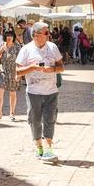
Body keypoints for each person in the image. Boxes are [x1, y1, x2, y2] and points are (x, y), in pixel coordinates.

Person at [16, 22, 64, 162]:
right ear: (36, 35)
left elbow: (61, 67)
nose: (49, 35)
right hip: (33, 92)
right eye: (46, 33)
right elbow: (17, 72)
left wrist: (53, 69)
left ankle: (48, 149)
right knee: (35, 121)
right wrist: (32, 67)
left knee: (50, 120)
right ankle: (39, 148)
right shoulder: (26, 49)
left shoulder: (53, 47)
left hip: (51, 91)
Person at [0, 30, 21, 121]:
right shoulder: (2, 45)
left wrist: (19, 73)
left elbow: (20, 60)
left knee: (12, 92)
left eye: (11, 35)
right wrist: (0, 51)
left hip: (13, 72)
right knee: (0, 90)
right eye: (7, 35)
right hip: (3, 71)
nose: (9, 37)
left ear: (13, 37)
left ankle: (12, 113)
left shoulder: (17, 46)